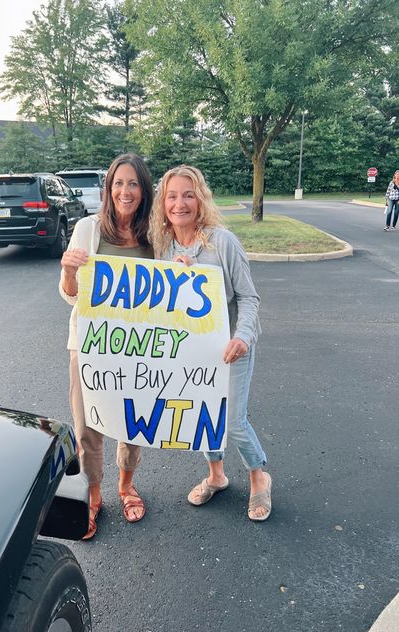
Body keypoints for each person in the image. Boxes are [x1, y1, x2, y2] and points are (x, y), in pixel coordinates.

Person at [149, 165, 272, 521]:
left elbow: (249, 298)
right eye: (172, 196)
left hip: (231, 348)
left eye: (188, 194)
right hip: (191, 351)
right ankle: (216, 476)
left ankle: (259, 475)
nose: (180, 203)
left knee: (233, 421)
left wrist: (243, 337)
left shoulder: (222, 241)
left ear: (200, 198)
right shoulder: (163, 246)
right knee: (202, 416)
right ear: (163, 203)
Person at [59, 153, 154, 539]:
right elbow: (70, 296)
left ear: (144, 190)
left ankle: (126, 485)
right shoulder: (87, 229)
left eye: (133, 184)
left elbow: (171, 293)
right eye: (118, 183)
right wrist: (68, 270)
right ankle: (94, 493)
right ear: (108, 189)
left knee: (132, 422)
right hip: (91, 345)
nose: (125, 191)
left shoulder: (155, 235)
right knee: (87, 425)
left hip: (139, 346)